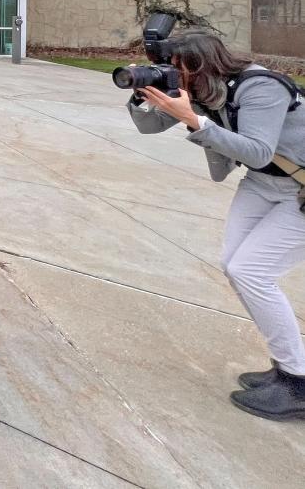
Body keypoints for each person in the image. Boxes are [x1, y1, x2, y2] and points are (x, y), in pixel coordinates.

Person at [129, 31, 305, 421]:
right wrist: (142, 96)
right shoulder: (207, 90)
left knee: (252, 271)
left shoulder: (261, 88)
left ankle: (298, 382)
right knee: (235, 266)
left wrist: (192, 120)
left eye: (174, 69)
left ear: (198, 64)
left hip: (300, 190)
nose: (170, 75)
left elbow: (258, 151)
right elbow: (148, 127)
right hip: (264, 185)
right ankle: (286, 367)